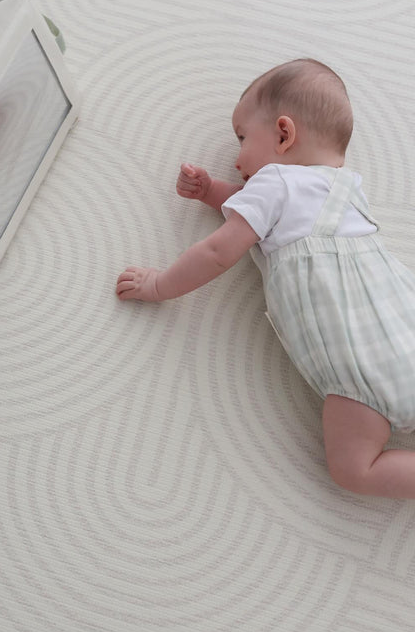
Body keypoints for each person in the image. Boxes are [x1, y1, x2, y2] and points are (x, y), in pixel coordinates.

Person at [116, 58, 415, 498]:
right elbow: (263, 210)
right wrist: (211, 191)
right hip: (403, 324)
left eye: (241, 138)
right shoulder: (346, 187)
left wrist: (159, 284)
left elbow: (219, 251)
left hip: (357, 367)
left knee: (355, 469)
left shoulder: (274, 181)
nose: (237, 157)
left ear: (283, 134)